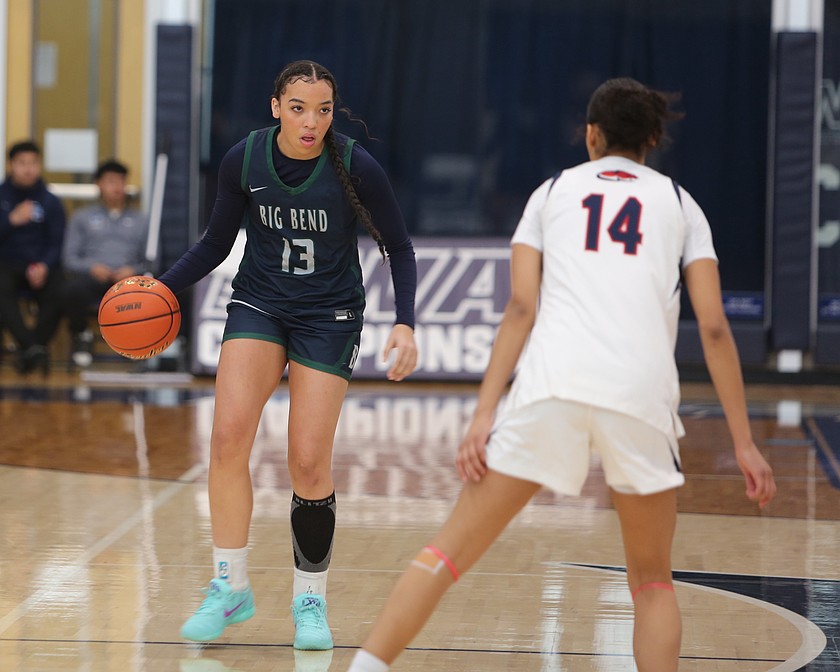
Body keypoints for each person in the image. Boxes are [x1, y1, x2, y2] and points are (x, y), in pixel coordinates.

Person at [346, 77, 777, 672]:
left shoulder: (552, 193)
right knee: (652, 584)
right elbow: (715, 330)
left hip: (552, 386)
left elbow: (521, 308)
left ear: (592, 135)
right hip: (640, 396)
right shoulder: (681, 204)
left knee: (446, 554)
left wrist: (482, 415)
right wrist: (745, 443)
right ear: (653, 138)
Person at [156, 60, 418, 650]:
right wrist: (162, 288)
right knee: (226, 439)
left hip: (330, 315)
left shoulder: (354, 164)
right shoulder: (242, 160)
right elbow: (215, 243)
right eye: (298, 107)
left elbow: (398, 245)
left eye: (323, 109)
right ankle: (230, 587)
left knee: (307, 462)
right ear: (276, 106)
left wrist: (405, 323)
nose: (311, 121)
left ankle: (310, 600)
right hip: (259, 304)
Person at [61, 159, 149, 367]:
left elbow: (151, 262)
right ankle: (81, 337)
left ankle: (139, 343)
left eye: (121, 181)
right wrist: (91, 268)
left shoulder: (141, 221)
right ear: (99, 184)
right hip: (94, 278)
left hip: (128, 281)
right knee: (70, 290)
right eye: (111, 181)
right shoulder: (82, 217)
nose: (117, 187)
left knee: (161, 291)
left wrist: (133, 270)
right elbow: (69, 259)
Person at [0, 140, 66, 374]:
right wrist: (10, 221)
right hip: (7, 264)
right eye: (22, 163)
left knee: (61, 288)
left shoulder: (50, 201)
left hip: (40, 265)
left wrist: (44, 265)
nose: (28, 168)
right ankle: (31, 347)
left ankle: (30, 350)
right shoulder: (2, 196)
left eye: (33, 163)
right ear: (11, 165)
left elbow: (57, 242)